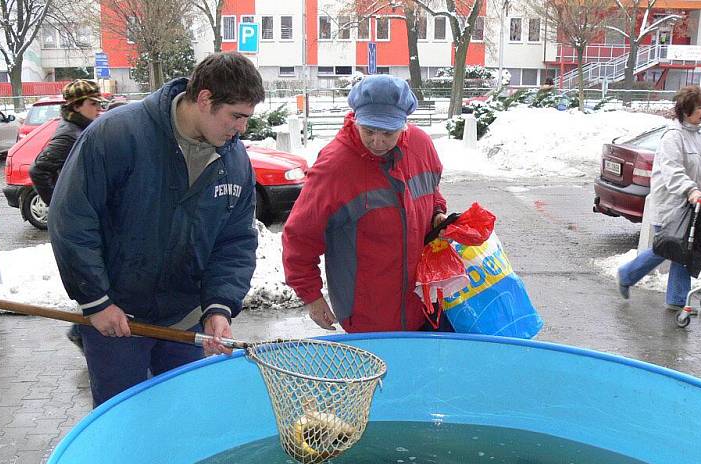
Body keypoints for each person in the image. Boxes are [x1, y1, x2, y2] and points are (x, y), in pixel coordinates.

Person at [49, 52, 264, 406]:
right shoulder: (118, 133)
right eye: (236, 116)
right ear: (206, 99)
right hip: (116, 319)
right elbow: (72, 217)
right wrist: (95, 300)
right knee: (121, 425)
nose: (241, 128)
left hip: (184, 322)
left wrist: (218, 306)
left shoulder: (235, 160)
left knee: (178, 423)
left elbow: (235, 241)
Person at [282, 75, 448, 333]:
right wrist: (311, 297)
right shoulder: (335, 166)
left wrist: (437, 212)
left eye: (388, 132)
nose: (377, 141)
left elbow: (432, 190)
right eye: (369, 130)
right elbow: (300, 236)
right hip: (368, 317)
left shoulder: (421, 146)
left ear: (404, 124)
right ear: (355, 118)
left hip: (425, 305)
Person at [617, 85, 701, 311]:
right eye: (699, 107)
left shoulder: (699, 137)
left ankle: (676, 300)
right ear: (686, 110)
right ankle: (628, 275)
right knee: (669, 247)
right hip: (671, 204)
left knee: (681, 248)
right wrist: (691, 190)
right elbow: (673, 171)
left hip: (692, 205)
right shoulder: (673, 137)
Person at [28, 81, 113, 353]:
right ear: (75, 106)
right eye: (93, 103)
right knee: (93, 277)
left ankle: (81, 329)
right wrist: (59, 206)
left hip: (89, 217)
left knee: (97, 278)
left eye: (100, 103)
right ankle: (81, 331)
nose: (98, 108)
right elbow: (38, 170)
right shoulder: (68, 134)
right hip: (79, 223)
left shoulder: (80, 129)